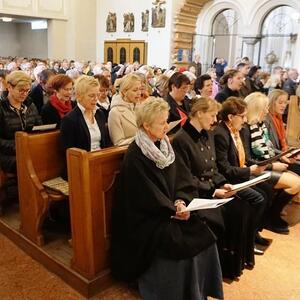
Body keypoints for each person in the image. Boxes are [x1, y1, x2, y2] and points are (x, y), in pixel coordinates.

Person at [111, 97, 223, 300]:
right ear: (146, 125)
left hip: (171, 209)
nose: (167, 126)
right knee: (178, 243)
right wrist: (173, 210)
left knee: (204, 231)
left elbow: (182, 178)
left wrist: (181, 200)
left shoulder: (165, 146)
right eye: (162, 122)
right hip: (147, 218)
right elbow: (146, 196)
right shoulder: (135, 155)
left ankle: (200, 290)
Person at [172, 96, 260, 278]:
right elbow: (186, 178)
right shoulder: (182, 139)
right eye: (211, 116)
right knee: (232, 212)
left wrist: (222, 183)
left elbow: (213, 169)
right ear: (198, 113)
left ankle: (233, 264)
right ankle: (222, 267)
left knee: (243, 207)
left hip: (211, 188)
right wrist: (213, 190)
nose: (214, 120)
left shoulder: (207, 134)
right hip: (195, 194)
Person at [244, 92, 300, 233]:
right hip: (257, 168)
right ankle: (272, 217)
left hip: (265, 164)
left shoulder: (259, 125)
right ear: (257, 109)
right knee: (295, 183)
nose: (267, 111)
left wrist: (282, 156)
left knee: (295, 180)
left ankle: (273, 214)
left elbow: (268, 149)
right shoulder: (246, 128)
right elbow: (248, 159)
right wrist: (273, 165)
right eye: (265, 108)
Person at [60, 75, 111, 179]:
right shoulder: (70, 120)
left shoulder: (99, 114)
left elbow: (105, 143)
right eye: (91, 96)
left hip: (100, 162)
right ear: (79, 96)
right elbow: (69, 153)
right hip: (81, 168)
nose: (95, 99)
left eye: (97, 95)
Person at [0, 71, 42, 175]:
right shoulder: (1, 108)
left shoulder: (30, 105)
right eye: (21, 90)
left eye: (27, 90)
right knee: (27, 164)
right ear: (9, 87)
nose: (25, 94)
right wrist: (19, 146)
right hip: (7, 154)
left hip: (28, 149)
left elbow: (39, 127)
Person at [108, 73, 141, 146]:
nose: (139, 93)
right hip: (127, 154)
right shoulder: (115, 112)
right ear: (124, 92)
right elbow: (118, 143)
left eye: (140, 89)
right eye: (135, 90)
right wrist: (141, 138)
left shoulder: (139, 107)